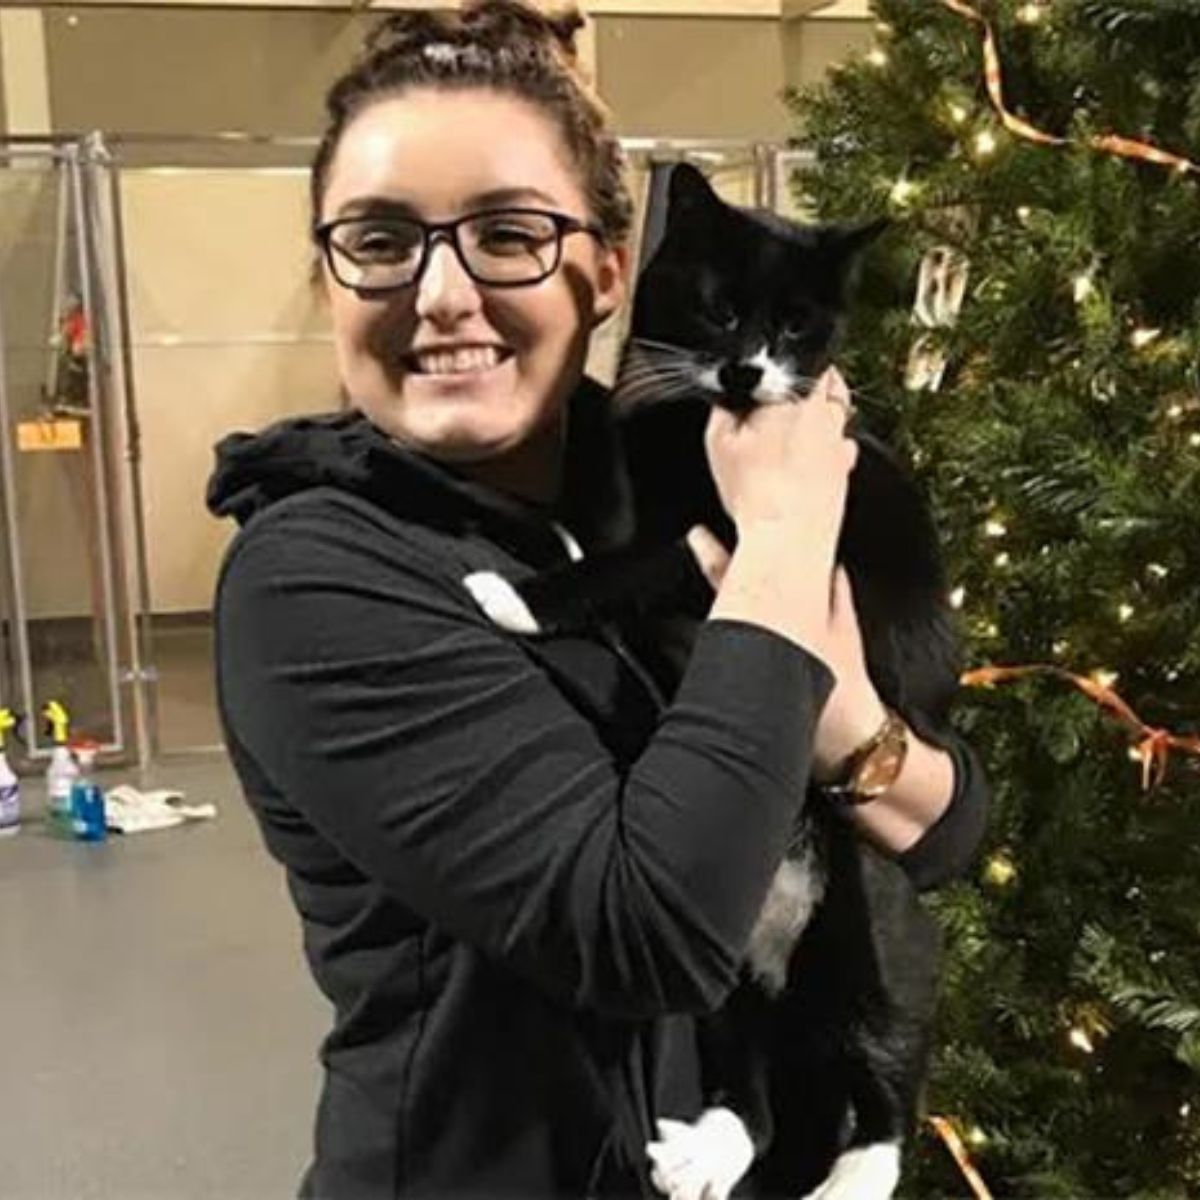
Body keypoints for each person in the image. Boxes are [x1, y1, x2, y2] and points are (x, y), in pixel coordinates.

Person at [207, 2, 989, 1197]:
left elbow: (950, 826)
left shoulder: (650, 475)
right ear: (327, 275)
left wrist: (855, 743)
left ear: (608, 270)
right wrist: (782, 540)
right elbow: (652, 931)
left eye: (508, 234)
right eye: (379, 239)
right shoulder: (313, 577)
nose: (441, 295)